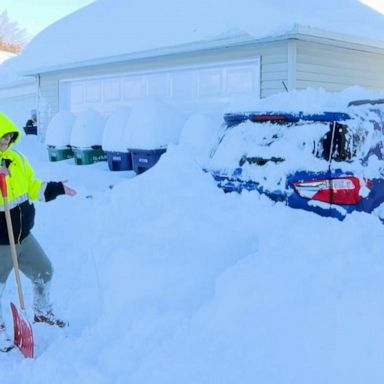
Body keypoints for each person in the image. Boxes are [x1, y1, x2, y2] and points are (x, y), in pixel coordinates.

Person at [0, 113, 76, 350]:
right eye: (1, 138)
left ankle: (42, 311)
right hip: (1, 241)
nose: (5, 142)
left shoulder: (17, 159)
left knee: (44, 270)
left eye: (8, 137)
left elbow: (32, 186)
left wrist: (57, 188)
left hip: (23, 235)